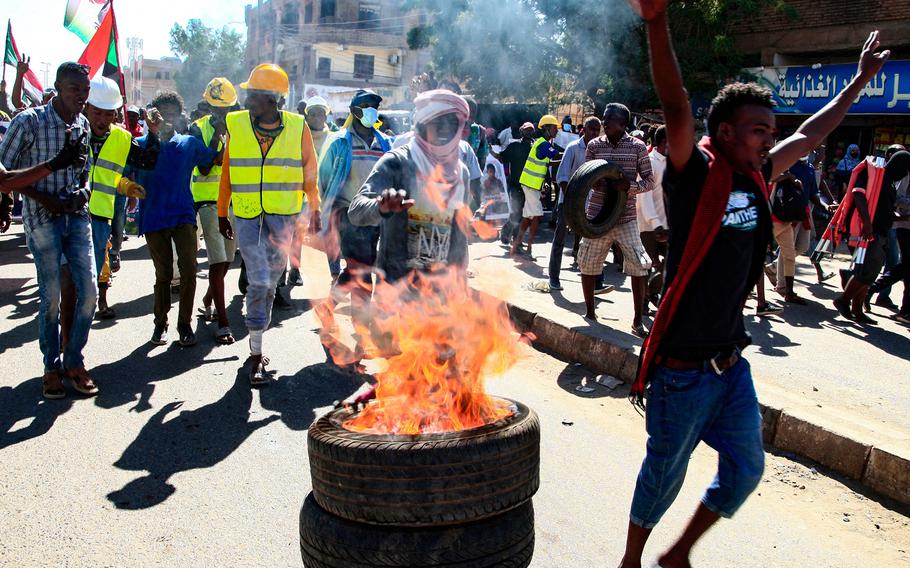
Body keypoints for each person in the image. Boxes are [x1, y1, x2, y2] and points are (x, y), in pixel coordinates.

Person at [620, 1, 888, 564]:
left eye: (772, 131)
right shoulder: (694, 173)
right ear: (724, 131)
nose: (770, 139)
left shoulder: (757, 175)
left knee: (745, 470)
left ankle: (677, 555)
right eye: (758, 130)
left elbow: (814, 133)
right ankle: (630, 561)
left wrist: (860, 81)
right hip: (681, 371)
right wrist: (656, 20)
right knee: (663, 476)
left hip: (728, 367)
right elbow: (673, 102)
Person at [217, 63, 320, 385]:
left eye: (253, 96)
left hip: (283, 216)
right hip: (247, 215)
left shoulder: (297, 126)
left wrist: (314, 209)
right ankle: (256, 355)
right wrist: (222, 212)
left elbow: (309, 170)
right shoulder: (236, 124)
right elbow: (227, 171)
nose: (247, 101)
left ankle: (257, 346)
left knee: (270, 284)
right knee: (259, 282)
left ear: (272, 100)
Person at [0, 62, 98, 399]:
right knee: (51, 297)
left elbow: (85, 169)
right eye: (75, 89)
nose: (82, 97)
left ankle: (74, 361)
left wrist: (83, 190)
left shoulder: (83, 124)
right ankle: (51, 367)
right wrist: (47, 192)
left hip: (78, 217)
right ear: (57, 87)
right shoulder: (29, 122)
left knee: (89, 293)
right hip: (42, 219)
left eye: (85, 91)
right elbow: (4, 176)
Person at [349, 89, 471, 281]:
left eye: (451, 124)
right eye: (436, 124)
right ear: (421, 125)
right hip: (395, 290)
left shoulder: (460, 171)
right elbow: (356, 211)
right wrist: (381, 207)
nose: (443, 131)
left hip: (440, 292)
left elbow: (459, 232)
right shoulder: (396, 162)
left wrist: (460, 278)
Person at [136, 91, 221, 347]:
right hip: (153, 218)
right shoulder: (140, 145)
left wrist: (220, 134)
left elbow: (209, 163)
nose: (167, 117)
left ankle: (184, 325)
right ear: (153, 113)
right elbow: (126, 174)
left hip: (184, 214)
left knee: (190, 270)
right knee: (163, 275)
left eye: (173, 112)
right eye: (162, 111)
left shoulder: (188, 144)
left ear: (181, 115)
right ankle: (160, 324)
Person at [83, 76, 159, 319]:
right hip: (66, 213)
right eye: (97, 112)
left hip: (100, 215)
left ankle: (89, 309)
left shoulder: (123, 138)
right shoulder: (70, 130)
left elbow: (147, 161)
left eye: (109, 113)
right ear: (86, 107)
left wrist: (154, 134)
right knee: (67, 276)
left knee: (96, 267)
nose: (103, 119)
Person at [577, 102, 654, 337]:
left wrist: (628, 186)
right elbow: (584, 175)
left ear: (623, 124)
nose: (604, 122)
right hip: (597, 215)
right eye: (604, 118)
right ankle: (590, 313)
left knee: (639, 267)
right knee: (588, 264)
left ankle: (637, 321)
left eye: (609, 119)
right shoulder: (594, 146)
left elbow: (650, 181)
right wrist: (595, 181)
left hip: (626, 216)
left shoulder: (638, 147)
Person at [318, 89, 392, 327]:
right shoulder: (339, 143)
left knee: (358, 267)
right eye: (366, 105)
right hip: (347, 213)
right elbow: (325, 180)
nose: (372, 110)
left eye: (375, 106)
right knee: (361, 270)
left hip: (375, 214)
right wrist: (330, 212)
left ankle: (328, 306)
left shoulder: (385, 143)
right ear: (354, 111)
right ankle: (361, 329)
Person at [189, 77, 240, 344]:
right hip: (208, 202)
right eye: (219, 109)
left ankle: (209, 298)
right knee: (218, 261)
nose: (224, 114)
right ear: (209, 106)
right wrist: (217, 143)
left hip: (233, 202)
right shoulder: (197, 129)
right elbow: (206, 167)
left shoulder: (240, 129)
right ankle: (222, 321)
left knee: (228, 260)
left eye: (228, 109)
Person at [833, 150, 910, 324]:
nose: (906, 174)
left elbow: (886, 210)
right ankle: (843, 300)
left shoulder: (889, 182)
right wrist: (867, 223)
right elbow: (858, 194)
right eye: (905, 170)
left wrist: (902, 217)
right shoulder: (876, 174)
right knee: (866, 271)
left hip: (881, 230)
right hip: (869, 231)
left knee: (870, 272)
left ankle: (857, 309)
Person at [548, 116, 601, 290]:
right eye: (591, 129)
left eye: (596, 129)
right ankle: (553, 277)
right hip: (568, 202)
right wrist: (572, 199)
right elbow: (561, 177)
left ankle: (598, 281)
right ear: (583, 130)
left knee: (595, 241)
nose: (594, 133)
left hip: (589, 203)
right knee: (560, 240)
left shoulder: (599, 151)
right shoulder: (573, 149)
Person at [512, 115, 560, 258]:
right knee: (537, 217)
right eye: (554, 128)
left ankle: (517, 245)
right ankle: (528, 249)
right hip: (531, 185)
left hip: (530, 184)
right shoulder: (543, 144)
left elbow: (548, 163)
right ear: (546, 129)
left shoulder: (541, 143)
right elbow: (557, 157)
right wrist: (571, 155)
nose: (556, 131)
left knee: (527, 217)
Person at [638, 124, 669, 308]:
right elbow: (644, 197)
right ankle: (643, 302)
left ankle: (651, 291)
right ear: (664, 142)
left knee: (674, 260)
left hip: (666, 224)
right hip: (649, 225)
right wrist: (656, 223)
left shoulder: (671, 163)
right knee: (646, 266)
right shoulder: (649, 162)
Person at [494, 122, 535, 245]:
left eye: (531, 130)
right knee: (517, 212)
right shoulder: (514, 146)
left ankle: (510, 234)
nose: (529, 133)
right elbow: (502, 157)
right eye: (526, 130)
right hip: (516, 185)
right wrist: (489, 151)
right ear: (521, 132)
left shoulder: (535, 148)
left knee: (523, 213)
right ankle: (515, 239)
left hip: (529, 186)